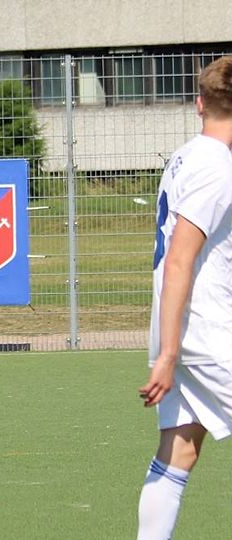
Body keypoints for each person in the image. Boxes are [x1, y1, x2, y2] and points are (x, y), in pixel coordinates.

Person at [136, 55, 232, 540]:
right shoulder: (216, 167)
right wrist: (170, 355)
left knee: (180, 449)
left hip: (178, 328)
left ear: (199, 104)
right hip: (204, 330)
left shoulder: (186, 156)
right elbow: (179, 260)